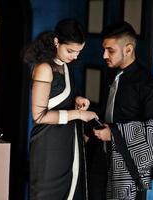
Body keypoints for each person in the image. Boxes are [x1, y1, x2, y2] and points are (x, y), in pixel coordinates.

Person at [23, 18, 98, 200]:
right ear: (57, 41)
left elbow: (60, 99)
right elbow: (39, 116)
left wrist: (77, 100)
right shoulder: (44, 68)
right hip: (48, 145)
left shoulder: (64, 66)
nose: (75, 56)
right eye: (70, 51)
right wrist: (79, 114)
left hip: (66, 143)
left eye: (78, 52)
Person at [91, 21, 153, 200]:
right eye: (104, 49)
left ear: (128, 49)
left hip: (128, 167)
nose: (104, 55)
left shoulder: (147, 83)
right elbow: (108, 112)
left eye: (111, 50)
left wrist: (114, 134)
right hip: (101, 159)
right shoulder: (111, 74)